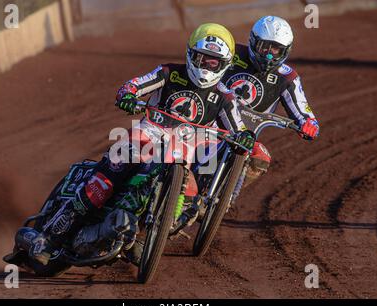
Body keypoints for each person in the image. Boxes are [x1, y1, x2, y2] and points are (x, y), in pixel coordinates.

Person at [29, 23, 255, 266]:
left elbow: (239, 129)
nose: (206, 66)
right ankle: (51, 236)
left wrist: (244, 138)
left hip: (182, 155)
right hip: (149, 134)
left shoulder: (224, 97)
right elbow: (134, 85)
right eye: (202, 58)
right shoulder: (169, 72)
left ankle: (144, 238)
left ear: (224, 65)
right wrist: (127, 95)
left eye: (213, 62)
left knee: (190, 196)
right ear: (191, 54)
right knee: (107, 178)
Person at [222, 15, 319, 187]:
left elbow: (303, 110)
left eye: (276, 50)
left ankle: (225, 196)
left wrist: (309, 123)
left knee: (260, 159)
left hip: (247, 136)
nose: (268, 55)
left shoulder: (287, 77)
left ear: (285, 51)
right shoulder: (231, 52)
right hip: (212, 121)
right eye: (264, 47)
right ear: (253, 41)